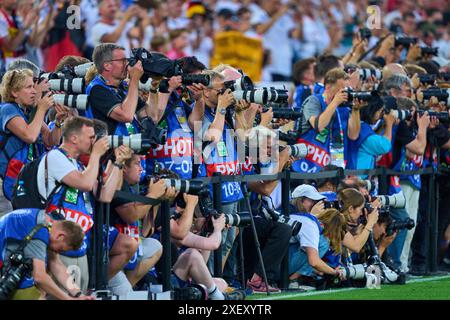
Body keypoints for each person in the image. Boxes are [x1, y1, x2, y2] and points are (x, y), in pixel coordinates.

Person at [36, 116, 135, 294]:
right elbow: (86, 184)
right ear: (74, 138)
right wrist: (96, 154)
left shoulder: (78, 165)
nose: (94, 141)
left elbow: (105, 195)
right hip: (59, 242)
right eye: (90, 136)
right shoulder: (55, 157)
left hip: (79, 245)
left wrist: (118, 163)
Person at [0, 68, 66, 201]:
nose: (34, 91)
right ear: (14, 92)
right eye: (29, 87)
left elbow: (50, 140)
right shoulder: (8, 109)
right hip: (10, 180)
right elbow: (29, 136)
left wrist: (58, 122)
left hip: (27, 177)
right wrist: (41, 108)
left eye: (33, 86)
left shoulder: (28, 111)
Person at [0, 208, 93, 300]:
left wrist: (79, 294)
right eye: (61, 249)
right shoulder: (40, 231)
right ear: (60, 236)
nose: (58, 252)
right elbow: (39, 276)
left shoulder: (48, 223)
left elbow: (56, 264)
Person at [293, 68, 361, 173]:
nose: (344, 93)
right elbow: (318, 125)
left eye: (346, 89)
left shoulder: (342, 108)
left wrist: (356, 110)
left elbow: (353, 135)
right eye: (341, 89)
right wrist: (335, 102)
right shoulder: (313, 101)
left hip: (328, 164)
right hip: (305, 166)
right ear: (328, 87)